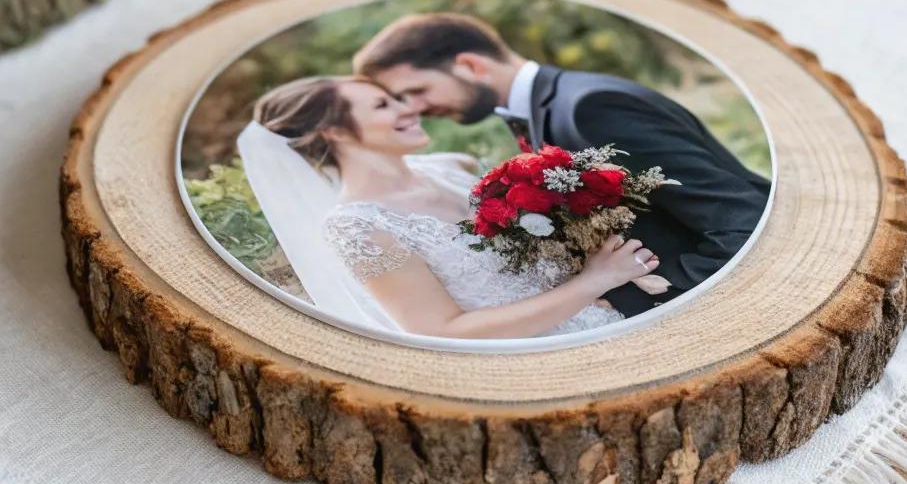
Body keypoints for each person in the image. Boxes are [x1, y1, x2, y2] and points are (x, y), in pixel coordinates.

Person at [354, 12, 771, 317]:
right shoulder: (545, 111)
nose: (419, 110)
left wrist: (641, 297)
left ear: (470, 65)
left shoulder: (589, 107)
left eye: (417, 91)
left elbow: (743, 217)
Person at [238, 75, 666, 340]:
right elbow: (439, 331)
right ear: (333, 130)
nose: (409, 109)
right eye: (384, 105)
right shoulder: (357, 226)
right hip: (541, 364)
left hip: (612, 322)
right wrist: (592, 283)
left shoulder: (450, 168)